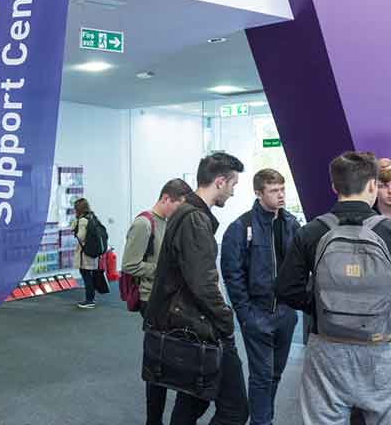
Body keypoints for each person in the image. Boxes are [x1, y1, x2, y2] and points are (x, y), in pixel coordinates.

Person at [275, 152, 391, 425]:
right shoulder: (388, 231)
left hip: (326, 349)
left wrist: (320, 305)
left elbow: (285, 288)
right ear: (373, 185)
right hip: (381, 348)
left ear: (334, 187)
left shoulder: (312, 231)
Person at [145, 152, 248, 425]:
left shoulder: (187, 214)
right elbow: (202, 282)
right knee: (234, 410)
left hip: (192, 325)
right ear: (219, 181)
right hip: (202, 326)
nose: (233, 192)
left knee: (192, 401)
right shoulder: (194, 219)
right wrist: (226, 319)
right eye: (233, 185)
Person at [220, 169, 301, 425]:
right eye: (273, 191)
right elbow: (232, 274)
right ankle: (261, 422)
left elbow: (300, 268)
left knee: (275, 374)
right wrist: (246, 315)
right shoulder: (240, 227)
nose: (280, 195)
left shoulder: (292, 224)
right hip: (258, 314)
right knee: (261, 376)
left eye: (282, 189)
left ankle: (265, 418)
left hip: (286, 314)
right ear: (258, 193)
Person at [122, 178, 193, 425]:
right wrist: (163, 269)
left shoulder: (168, 221)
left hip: (167, 298)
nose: (181, 211)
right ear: (165, 199)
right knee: (158, 362)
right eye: (179, 205)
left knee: (165, 360)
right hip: (150, 300)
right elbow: (129, 264)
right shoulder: (144, 224)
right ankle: (153, 420)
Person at [72, 198, 101, 309]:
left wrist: (76, 226)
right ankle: (91, 298)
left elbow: (81, 236)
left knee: (86, 276)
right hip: (92, 252)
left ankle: (89, 300)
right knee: (89, 275)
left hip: (85, 253)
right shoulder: (93, 217)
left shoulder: (83, 220)